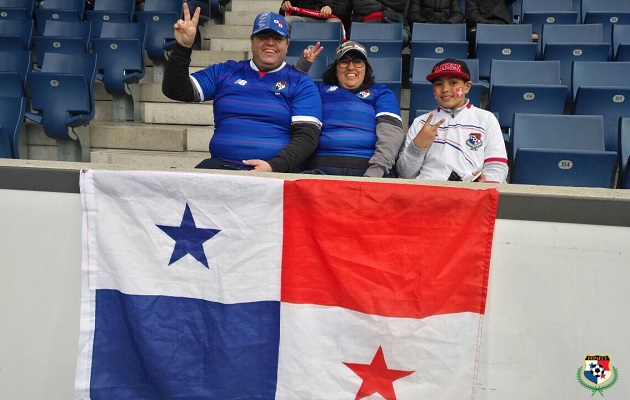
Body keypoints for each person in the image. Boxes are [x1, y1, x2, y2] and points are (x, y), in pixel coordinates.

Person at [162, 5, 323, 172]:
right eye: (263, 36)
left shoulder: (300, 82)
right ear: (252, 40)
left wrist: (273, 166)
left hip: (274, 174)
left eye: (277, 38)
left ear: (287, 44)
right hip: (221, 167)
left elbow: (307, 137)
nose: (270, 42)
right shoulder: (226, 71)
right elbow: (176, 90)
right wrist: (182, 48)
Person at [295, 41, 404, 177]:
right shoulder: (319, 90)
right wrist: (303, 66)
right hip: (322, 168)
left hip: (369, 168)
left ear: (365, 68)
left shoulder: (381, 92)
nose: (351, 67)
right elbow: (292, 88)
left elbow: (391, 135)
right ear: (335, 69)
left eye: (357, 62)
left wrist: (374, 173)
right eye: (344, 62)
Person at [397, 59, 508, 183]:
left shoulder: (486, 119)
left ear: (467, 87)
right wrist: (418, 146)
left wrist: (485, 180)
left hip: (469, 193)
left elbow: (497, 165)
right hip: (427, 192)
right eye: (438, 84)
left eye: (453, 82)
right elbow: (405, 174)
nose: (445, 89)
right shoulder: (420, 123)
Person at [279, 0, 352, 34]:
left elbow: (346, 7)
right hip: (303, 18)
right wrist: (285, 5)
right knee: (284, 22)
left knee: (334, 24)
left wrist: (331, 8)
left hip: (328, 18)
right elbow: (285, 8)